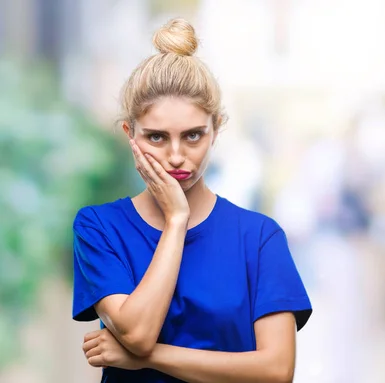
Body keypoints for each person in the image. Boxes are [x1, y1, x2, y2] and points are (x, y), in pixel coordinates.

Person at [71, 18, 312, 383]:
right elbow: (137, 332)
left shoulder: (259, 237)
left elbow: (276, 371)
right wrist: (176, 221)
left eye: (193, 135)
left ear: (215, 129)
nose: (176, 156)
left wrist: (148, 359)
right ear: (129, 134)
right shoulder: (99, 227)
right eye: (156, 138)